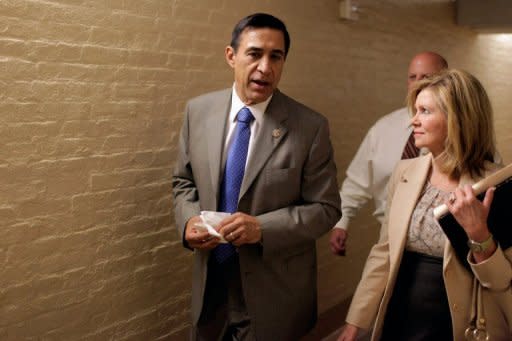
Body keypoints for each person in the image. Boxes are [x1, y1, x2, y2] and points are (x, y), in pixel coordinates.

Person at [172, 13, 341, 341]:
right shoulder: (198, 112)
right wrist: (188, 221)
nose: (265, 67)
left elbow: (326, 209)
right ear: (231, 56)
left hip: (274, 296)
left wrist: (262, 229)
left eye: (275, 56)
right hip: (211, 288)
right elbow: (184, 181)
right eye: (254, 54)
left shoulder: (309, 128)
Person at [337, 69, 512, 341]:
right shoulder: (404, 172)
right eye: (414, 110)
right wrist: (355, 323)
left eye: (425, 112)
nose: (413, 121)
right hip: (399, 316)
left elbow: (502, 282)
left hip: (458, 324)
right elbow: (384, 253)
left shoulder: (494, 185)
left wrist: (480, 235)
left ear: (457, 119)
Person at [330, 52, 448, 255]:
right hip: (389, 240)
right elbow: (358, 180)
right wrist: (343, 221)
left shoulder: (463, 134)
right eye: (413, 77)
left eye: (427, 77)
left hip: (442, 248)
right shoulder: (383, 129)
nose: (418, 84)